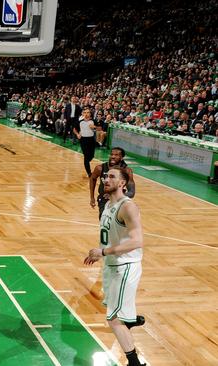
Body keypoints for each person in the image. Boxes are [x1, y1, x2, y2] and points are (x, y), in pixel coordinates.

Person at [84, 167, 146, 366]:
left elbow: (137, 241)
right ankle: (130, 319)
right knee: (113, 310)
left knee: (113, 318)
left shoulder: (127, 207)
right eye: (105, 176)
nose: (105, 179)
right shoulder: (108, 204)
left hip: (125, 266)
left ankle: (134, 362)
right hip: (112, 265)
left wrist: (102, 252)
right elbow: (110, 237)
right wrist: (100, 253)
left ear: (122, 183)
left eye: (111, 176)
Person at [89, 147, 136, 219]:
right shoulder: (100, 168)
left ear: (122, 157)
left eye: (116, 155)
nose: (113, 157)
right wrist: (92, 197)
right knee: (104, 222)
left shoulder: (126, 171)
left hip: (120, 201)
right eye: (112, 154)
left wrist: (117, 197)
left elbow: (132, 192)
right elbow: (92, 179)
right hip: (104, 199)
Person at [74, 107, 97, 177]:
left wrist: (94, 127)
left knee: (91, 156)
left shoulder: (93, 121)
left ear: (90, 114)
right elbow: (74, 129)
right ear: (83, 114)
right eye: (85, 113)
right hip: (83, 140)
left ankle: (87, 162)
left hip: (91, 140)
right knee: (86, 157)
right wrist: (77, 134)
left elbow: (100, 128)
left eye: (88, 112)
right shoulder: (80, 122)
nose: (86, 114)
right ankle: (89, 173)